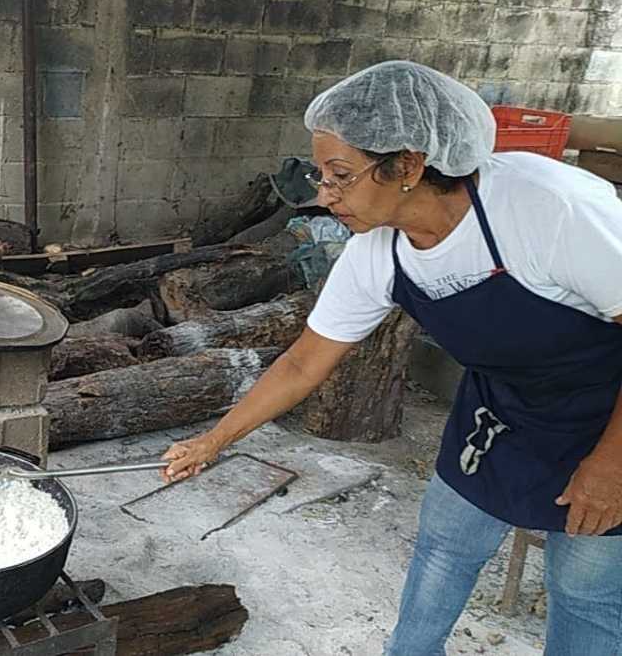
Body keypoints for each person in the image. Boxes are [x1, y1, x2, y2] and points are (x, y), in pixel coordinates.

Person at [162, 61, 622, 655]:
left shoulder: (546, 209)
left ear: (407, 165)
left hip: (607, 415)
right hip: (500, 410)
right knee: (444, 548)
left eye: (341, 175)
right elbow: (303, 363)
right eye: (321, 176)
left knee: (584, 591)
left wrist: (610, 467)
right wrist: (213, 441)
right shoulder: (379, 251)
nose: (324, 196)